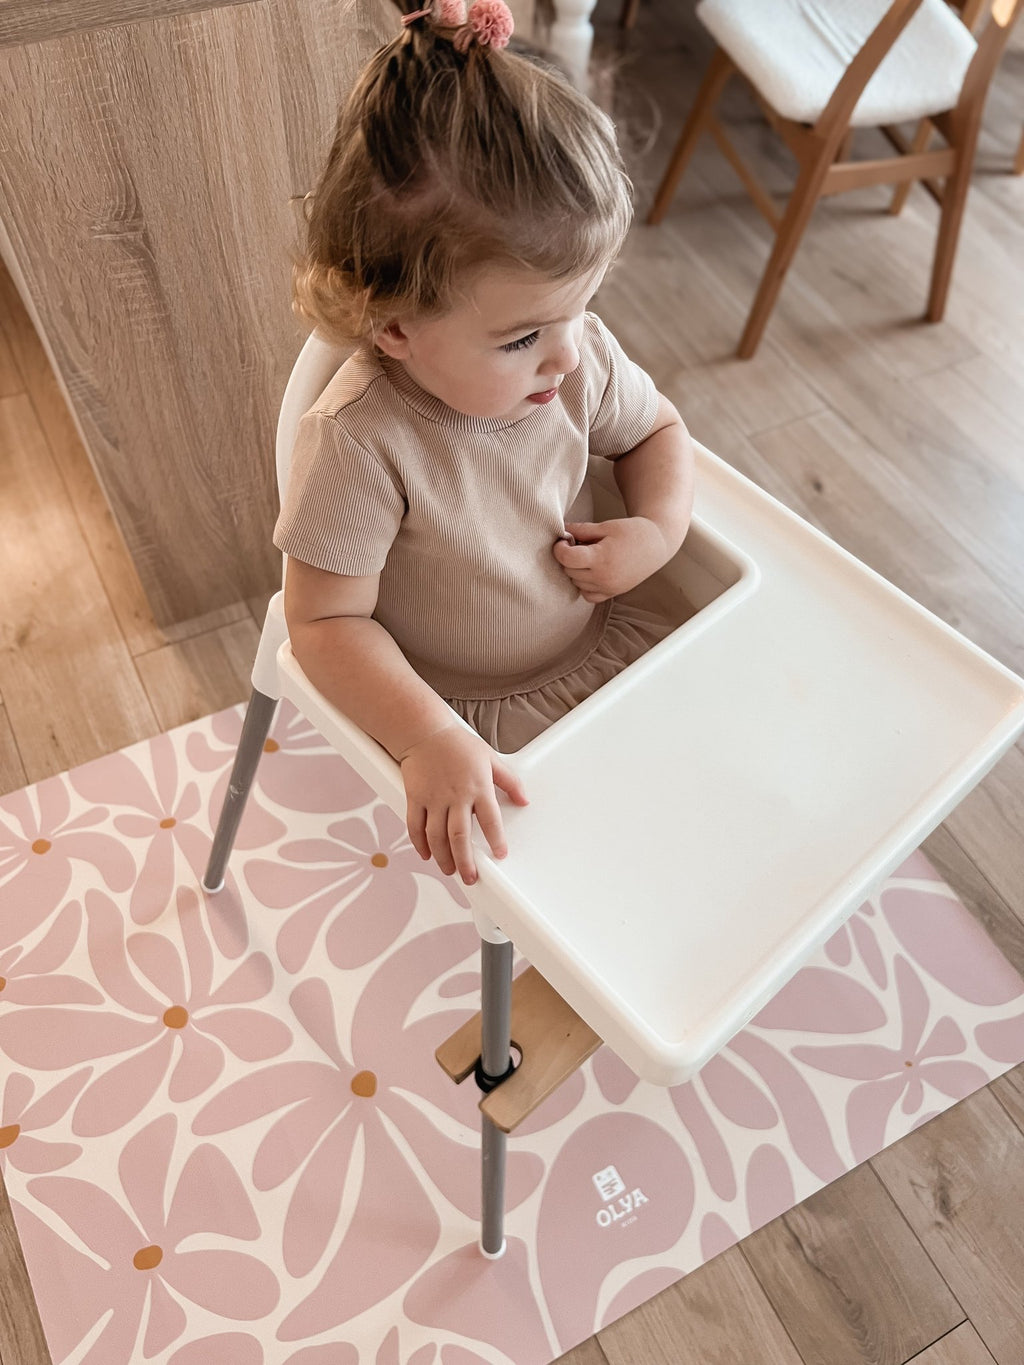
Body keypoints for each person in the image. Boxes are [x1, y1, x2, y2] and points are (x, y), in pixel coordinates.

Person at [275, 0, 695, 889]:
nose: (569, 354)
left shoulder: (573, 359)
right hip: (463, 716)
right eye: (521, 338)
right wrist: (428, 735)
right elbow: (322, 621)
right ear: (393, 329)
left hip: (599, 647)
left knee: (676, 821)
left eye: (581, 309)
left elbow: (657, 429)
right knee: (560, 882)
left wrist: (656, 529)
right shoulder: (361, 443)